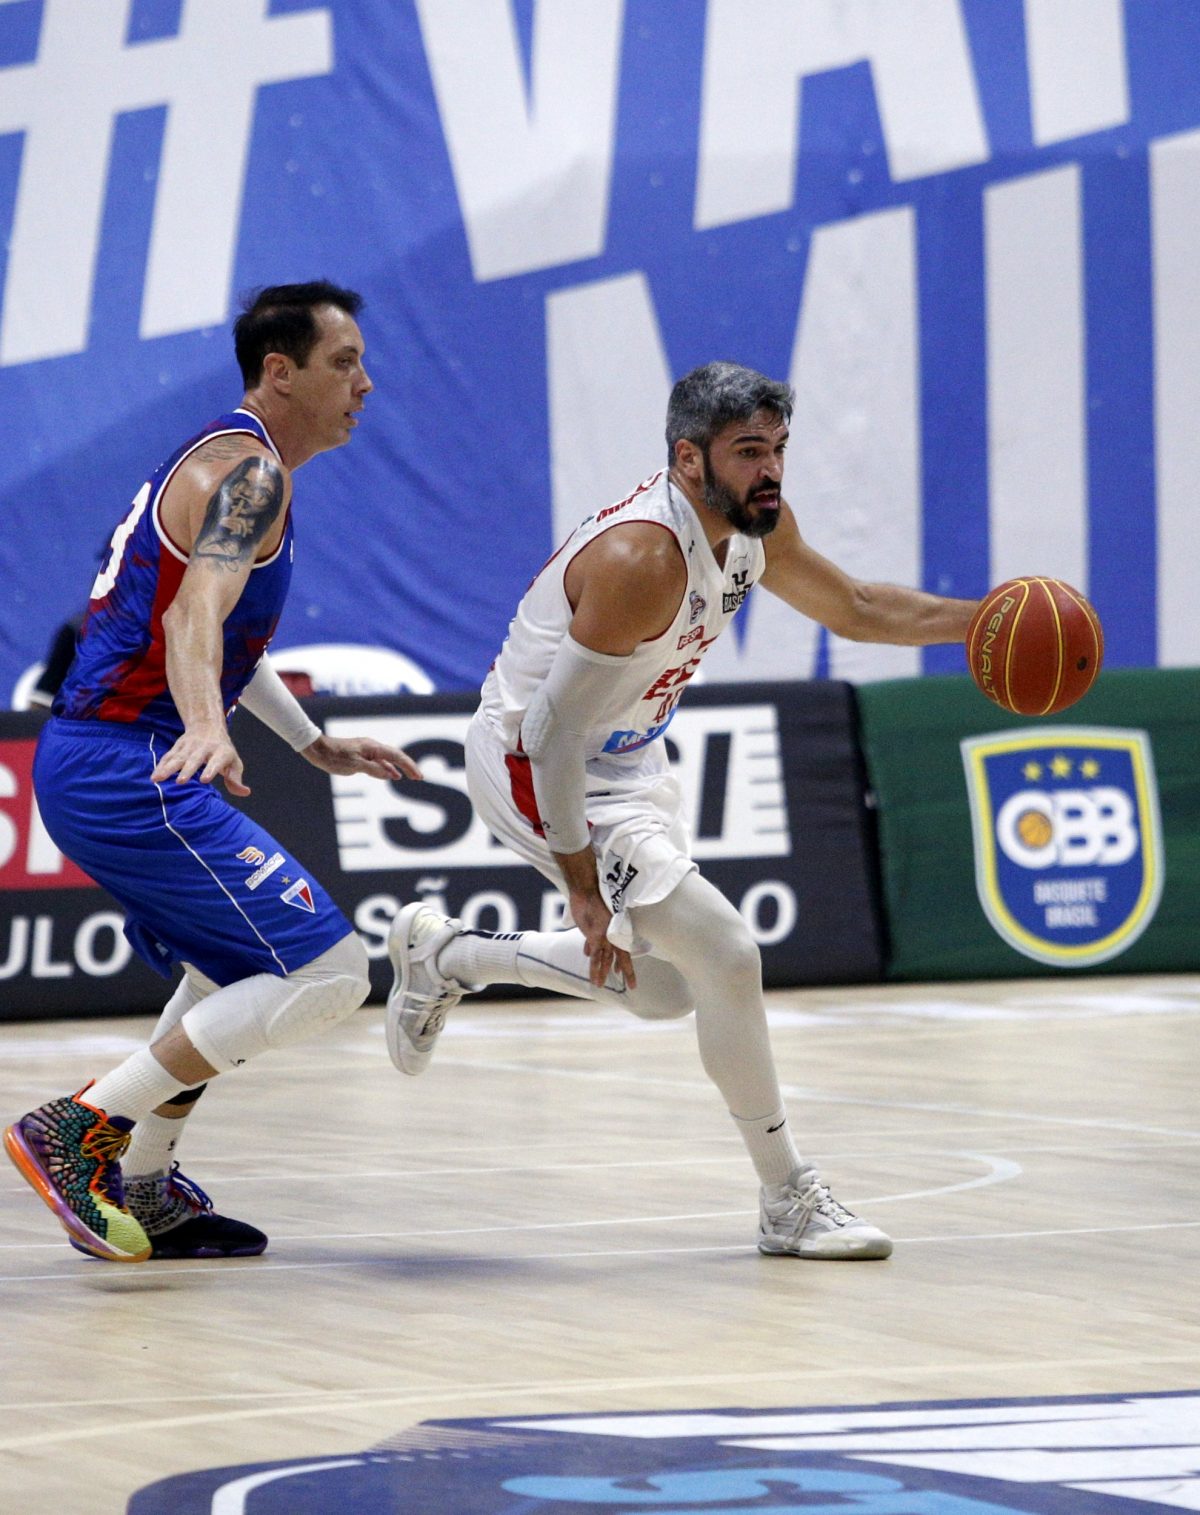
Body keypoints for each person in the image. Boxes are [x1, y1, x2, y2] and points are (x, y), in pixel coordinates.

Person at [385, 360, 979, 1261]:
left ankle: (448, 954)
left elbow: (856, 608)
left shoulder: (752, 527)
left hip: (623, 755)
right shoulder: (644, 559)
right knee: (728, 953)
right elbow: (549, 735)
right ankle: (788, 1195)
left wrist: (987, 619)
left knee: (667, 989)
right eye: (749, 451)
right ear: (688, 458)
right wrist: (583, 885)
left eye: (778, 448)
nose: (770, 469)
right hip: (532, 762)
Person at [4, 281, 420, 1264]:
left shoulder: (236, 463)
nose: (364, 383)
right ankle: (79, 1126)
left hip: (104, 756)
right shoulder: (252, 479)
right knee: (331, 973)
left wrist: (308, 741)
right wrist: (205, 725)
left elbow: (222, 632)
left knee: (226, 969)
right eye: (344, 363)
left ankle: (147, 1186)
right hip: (127, 762)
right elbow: (194, 617)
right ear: (281, 372)